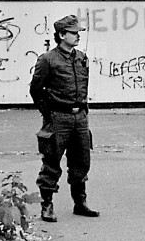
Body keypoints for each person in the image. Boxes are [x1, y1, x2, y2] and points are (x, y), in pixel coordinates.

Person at [29, 15, 99, 222]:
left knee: (81, 161)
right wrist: (48, 112)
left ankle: (80, 202)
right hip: (58, 117)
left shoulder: (81, 58)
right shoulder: (47, 59)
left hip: (80, 117)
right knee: (52, 161)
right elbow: (36, 90)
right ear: (61, 35)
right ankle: (47, 205)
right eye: (74, 33)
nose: (78, 37)